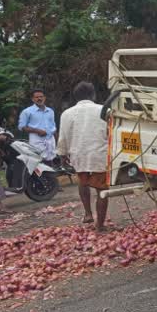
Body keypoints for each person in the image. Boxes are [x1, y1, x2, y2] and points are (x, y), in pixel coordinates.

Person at [57, 82, 109, 231]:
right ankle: (100, 225)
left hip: (78, 153)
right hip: (100, 154)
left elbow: (63, 136)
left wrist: (62, 154)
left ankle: (87, 214)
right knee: (102, 190)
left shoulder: (67, 113)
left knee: (82, 181)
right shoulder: (104, 110)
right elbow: (110, 132)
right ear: (93, 95)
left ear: (75, 97)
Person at [18, 89, 56, 161]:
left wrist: (53, 134)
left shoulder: (50, 111)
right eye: (37, 97)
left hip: (50, 139)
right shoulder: (27, 111)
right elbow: (21, 127)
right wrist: (37, 131)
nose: (39, 99)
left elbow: (53, 126)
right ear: (33, 99)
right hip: (36, 139)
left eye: (41, 96)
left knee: (51, 160)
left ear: (44, 98)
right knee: (38, 161)